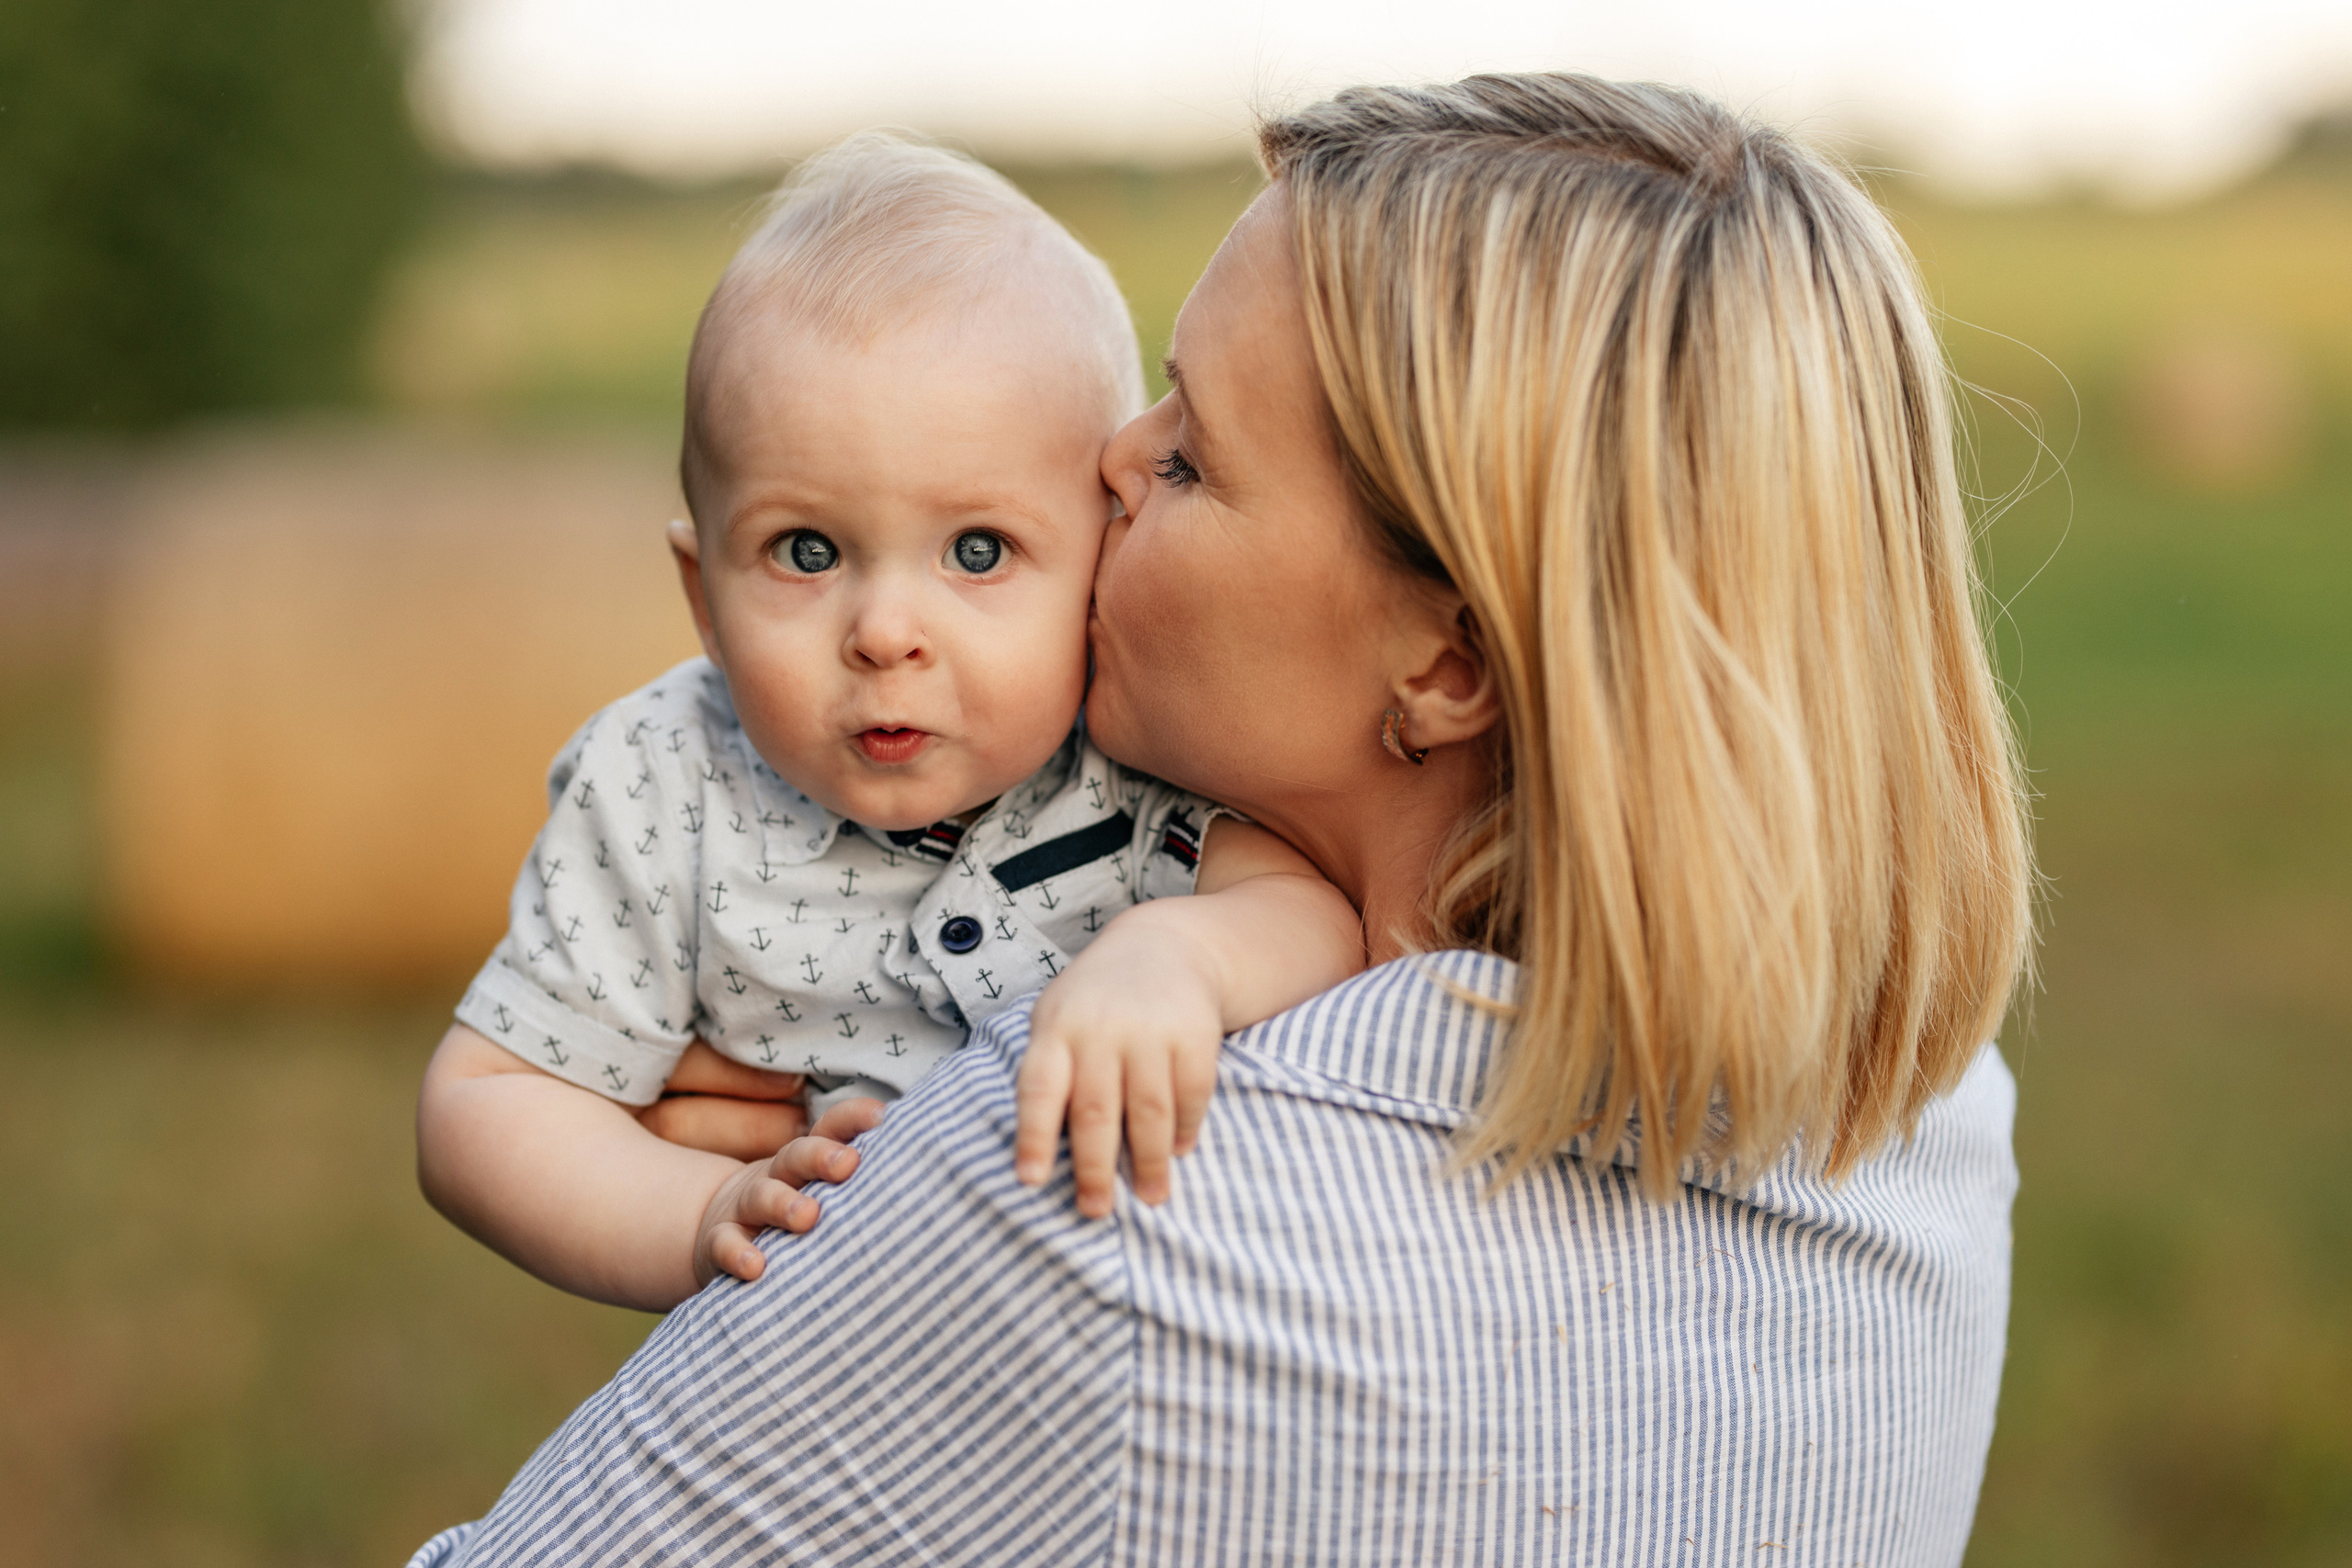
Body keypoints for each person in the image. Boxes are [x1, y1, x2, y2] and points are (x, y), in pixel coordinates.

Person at [413, 71, 2034, 1566]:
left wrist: (869, 1227)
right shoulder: (1924, 1108)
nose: (1107, 462)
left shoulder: (1088, 1179)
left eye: (1189, 453)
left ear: (1448, 662)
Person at [413, 132, 1362, 1314]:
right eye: (807, 552)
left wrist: (1177, 958)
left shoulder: (1130, 756)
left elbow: (1309, 917)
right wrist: (697, 1213)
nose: (883, 632)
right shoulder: (665, 785)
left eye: (979, 551)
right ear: (704, 598)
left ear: (1101, 561)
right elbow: (488, 1100)